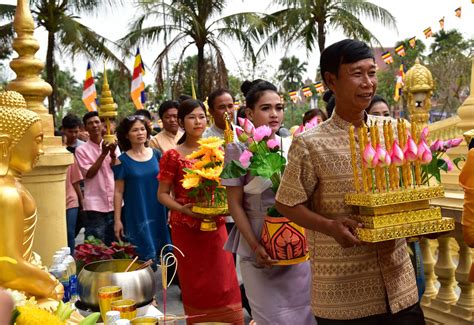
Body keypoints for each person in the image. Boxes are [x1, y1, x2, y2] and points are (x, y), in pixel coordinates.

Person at [275, 39, 424, 324]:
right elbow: (287, 203)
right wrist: (330, 227)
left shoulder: (396, 132)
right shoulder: (310, 143)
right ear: (331, 80)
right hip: (343, 295)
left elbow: (410, 189)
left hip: (401, 285)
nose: (368, 83)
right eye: (357, 74)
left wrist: (420, 220)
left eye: (371, 73)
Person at [222, 80, 315, 325]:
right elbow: (234, 204)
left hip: (296, 242)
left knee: (306, 316)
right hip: (258, 243)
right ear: (249, 113)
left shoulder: (293, 143)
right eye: (266, 108)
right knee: (272, 319)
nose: (274, 114)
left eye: (279, 107)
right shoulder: (236, 148)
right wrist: (255, 246)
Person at [158, 99, 243, 324]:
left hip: (216, 223)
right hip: (186, 228)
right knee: (194, 282)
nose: (198, 121)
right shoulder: (172, 155)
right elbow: (163, 194)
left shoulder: (217, 151)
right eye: (192, 117)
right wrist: (183, 209)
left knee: (224, 279)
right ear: (181, 122)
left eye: (201, 117)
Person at [0, 91, 62, 299]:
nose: (41, 151)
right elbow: (7, 267)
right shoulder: (6, 193)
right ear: (5, 145)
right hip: (10, 294)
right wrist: (50, 285)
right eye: (37, 141)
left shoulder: (12, 185)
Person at [112, 115, 171, 261]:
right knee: (142, 257)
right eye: (134, 130)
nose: (140, 133)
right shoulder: (122, 161)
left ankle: (163, 283)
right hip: (137, 213)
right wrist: (117, 220)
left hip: (159, 210)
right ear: (126, 135)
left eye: (142, 129)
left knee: (165, 254)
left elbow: (168, 183)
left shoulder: (157, 155)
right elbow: (118, 192)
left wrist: (172, 208)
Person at [75, 111, 119, 245]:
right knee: (96, 247)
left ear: (102, 125)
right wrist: (103, 154)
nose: (94, 125)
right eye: (90, 123)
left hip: (115, 202)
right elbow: (89, 174)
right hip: (95, 205)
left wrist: (112, 154)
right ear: (85, 128)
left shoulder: (113, 144)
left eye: (97, 122)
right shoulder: (81, 150)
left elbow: (118, 169)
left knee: (117, 245)